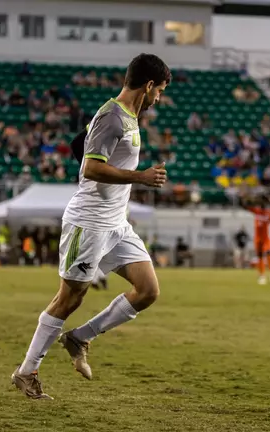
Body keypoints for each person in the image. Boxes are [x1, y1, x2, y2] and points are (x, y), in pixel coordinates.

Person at [12, 53, 171, 399]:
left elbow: (77, 146)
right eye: (158, 90)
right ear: (148, 86)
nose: (158, 98)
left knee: (148, 290)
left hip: (116, 224)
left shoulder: (127, 117)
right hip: (88, 222)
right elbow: (91, 168)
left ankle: (80, 337)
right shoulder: (112, 116)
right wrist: (139, 178)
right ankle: (27, 371)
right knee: (69, 299)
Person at [246, 196, 270, 285]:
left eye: (262, 201)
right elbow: (245, 205)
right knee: (260, 257)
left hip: (267, 237)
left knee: (269, 254)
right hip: (258, 238)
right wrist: (253, 200)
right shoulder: (256, 211)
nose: (260, 203)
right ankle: (262, 276)